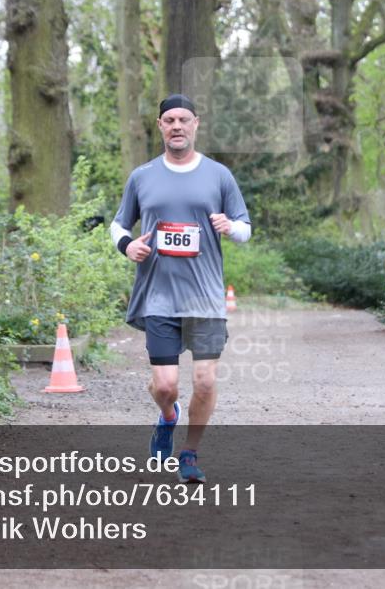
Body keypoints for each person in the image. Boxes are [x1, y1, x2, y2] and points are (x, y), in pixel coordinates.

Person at [110, 94, 251, 483]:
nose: (176, 126)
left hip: (205, 298)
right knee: (166, 386)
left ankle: (189, 454)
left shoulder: (219, 175)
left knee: (204, 381)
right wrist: (128, 245)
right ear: (160, 126)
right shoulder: (142, 176)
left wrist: (230, 228)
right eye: (169, 120)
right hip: (159, 296)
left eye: (183, 119)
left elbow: (245, 228)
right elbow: (119, 225)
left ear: (195, 124)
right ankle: (167, 418)